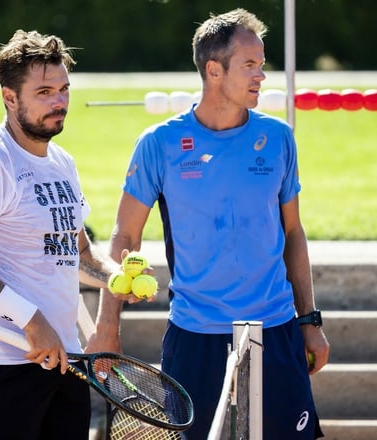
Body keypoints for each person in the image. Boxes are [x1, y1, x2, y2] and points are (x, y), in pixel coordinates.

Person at [90, 8, 330, 439]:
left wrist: (308, 320)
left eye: (262, 64)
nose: (261, 76)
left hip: (275, 330)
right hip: (196, 336)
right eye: (250, 65)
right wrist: (108, 327)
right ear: (214, 70)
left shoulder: (278, 139)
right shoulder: (158, 144)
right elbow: (125, 236)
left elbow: (293, 233)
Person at [0, 30, 122, 440]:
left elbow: (77, 254)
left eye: (63, 89)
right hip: (0, 366)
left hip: (64, 362)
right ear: (9, 97)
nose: (59, 102)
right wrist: (32, 320)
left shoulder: (62, 162)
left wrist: (116, 276)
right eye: (44, 92)